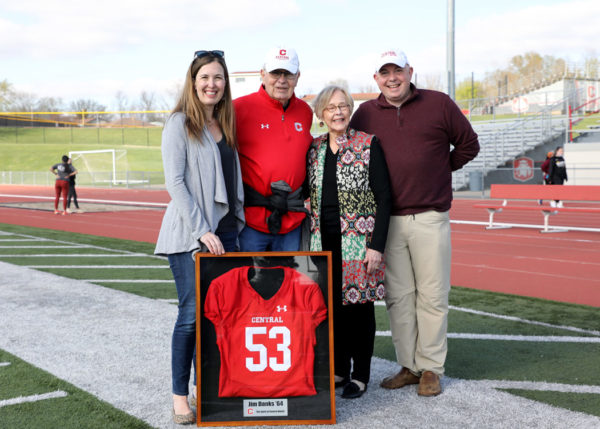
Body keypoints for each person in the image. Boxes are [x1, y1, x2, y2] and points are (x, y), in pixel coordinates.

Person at [349, 49, 480, 396]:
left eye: (398, 71)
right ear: (375, 78)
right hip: (387, 221)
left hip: (429, 216)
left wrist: (441, 169)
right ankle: (409, 365)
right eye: (384, 72)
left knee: (433, 295)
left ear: (410, 71)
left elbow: (469, 144)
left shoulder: (439, 104)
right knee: (399, 297)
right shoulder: (364, 114)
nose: (392, 78)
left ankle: (431, 368)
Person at [154, 49, 244, 425]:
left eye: (218, 78)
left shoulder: (224, 126)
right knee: (191, 317)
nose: (212, 84)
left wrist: (225, 229)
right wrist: (202, 230)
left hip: (224, 233)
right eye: (205, 77)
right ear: (193, 82)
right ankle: (180, 396)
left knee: (219, 318)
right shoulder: (179, 123)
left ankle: (208, 388)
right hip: (191, 234)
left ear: (225, 84)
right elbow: (175, 182)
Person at [307, 85, 391, 399]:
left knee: (359, 311)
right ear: (320, 114)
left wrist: (376, 245)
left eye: (343, 106)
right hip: (322, 242)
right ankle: (339, 368)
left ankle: (361, 375)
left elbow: (385, 198)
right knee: (331, 309)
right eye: (330, 108)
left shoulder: (368, 145)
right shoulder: (314, 149)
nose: (338, 112)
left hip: (359, 244)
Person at [233, 46, 313, 251]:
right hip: (251, 221)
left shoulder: (304, 111)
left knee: (289, 282)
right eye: (276, 73)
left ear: (298, 76)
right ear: (262, 74)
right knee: (251, 281)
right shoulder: (238, 109)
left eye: (288, 74)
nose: (282, 80)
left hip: (292, 221)